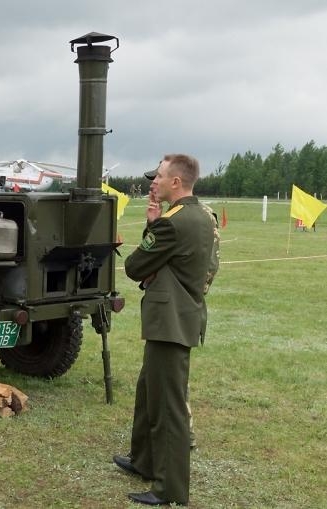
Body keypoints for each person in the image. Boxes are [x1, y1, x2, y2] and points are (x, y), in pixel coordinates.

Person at [113, 154, 216, 506]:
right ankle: (143, 460)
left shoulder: (172, 223)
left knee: (168, 403)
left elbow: (135, 266)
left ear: (176, 182)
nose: (152, 183)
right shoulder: (205, 216)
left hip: (169, 321)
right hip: (182, 315)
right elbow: (208, 269)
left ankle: (169, 487)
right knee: (148, 390)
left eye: (158, 177)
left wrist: (152, 228)